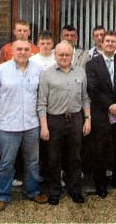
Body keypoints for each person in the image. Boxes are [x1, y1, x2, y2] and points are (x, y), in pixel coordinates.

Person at [0, 39, 48, 212]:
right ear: (12, 50)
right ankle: (2, 195)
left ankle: (33, 191)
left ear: (31, 52)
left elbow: (42, 95)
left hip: (31, 124)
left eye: (26, 49)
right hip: (8, 126)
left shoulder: (38, 71)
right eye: (19, 49)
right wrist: (4, 108)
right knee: (6, 162)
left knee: (33, 161)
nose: (23, 52)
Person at [37, 40, 91, 205]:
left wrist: (88, 119)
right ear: (55, 55)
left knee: (74, 157)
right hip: (54, 120)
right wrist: (44, 126)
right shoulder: (46, 74)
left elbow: (85, 98)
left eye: (67, 54)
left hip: (75, 119)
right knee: (54, 158)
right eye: (61, 54)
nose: (64, 57)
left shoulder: (81, 72)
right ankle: (54, 192)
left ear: (72, 55)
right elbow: (41, 103)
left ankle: (75, 190)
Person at [86, 31, 116, 198]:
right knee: (100, 149)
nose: (110, 44)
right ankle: (100, 185)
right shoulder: (92, 64)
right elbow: (92, 89)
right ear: (101, 42)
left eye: (113, 42)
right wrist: (109, 105)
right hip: (101, 112)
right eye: (107, 41)